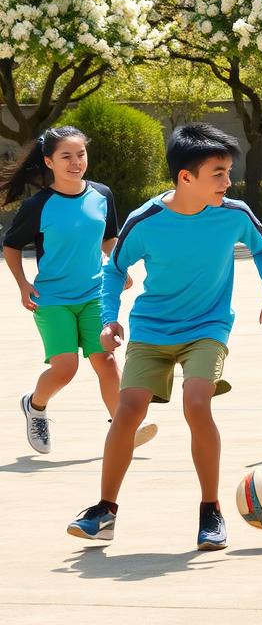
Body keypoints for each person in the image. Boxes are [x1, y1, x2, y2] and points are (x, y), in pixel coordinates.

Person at [66, 123, 262, 549]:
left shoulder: (234, 213)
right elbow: (113, 271)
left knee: (197, 402)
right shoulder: (145, 220)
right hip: (152, 328)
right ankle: (104, 510)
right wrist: (110, 319)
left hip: (208, 326)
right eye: (218, 173)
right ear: (186, 177)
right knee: (128, 410)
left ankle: (211, 510)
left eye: (228, 172)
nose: (228, 181)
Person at [2, 127, 156, 454]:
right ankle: (36, 405)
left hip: (94, 294)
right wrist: (23, 284)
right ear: (49, 161)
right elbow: (12, 246)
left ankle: (123, 428)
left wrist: (119, 267)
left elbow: (108, 239)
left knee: (106, 359)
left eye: (81, 154)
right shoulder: (39, 205)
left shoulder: (102, 195)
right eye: (66, 156)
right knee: (65, 368)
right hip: (53, 299)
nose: (76, 162)